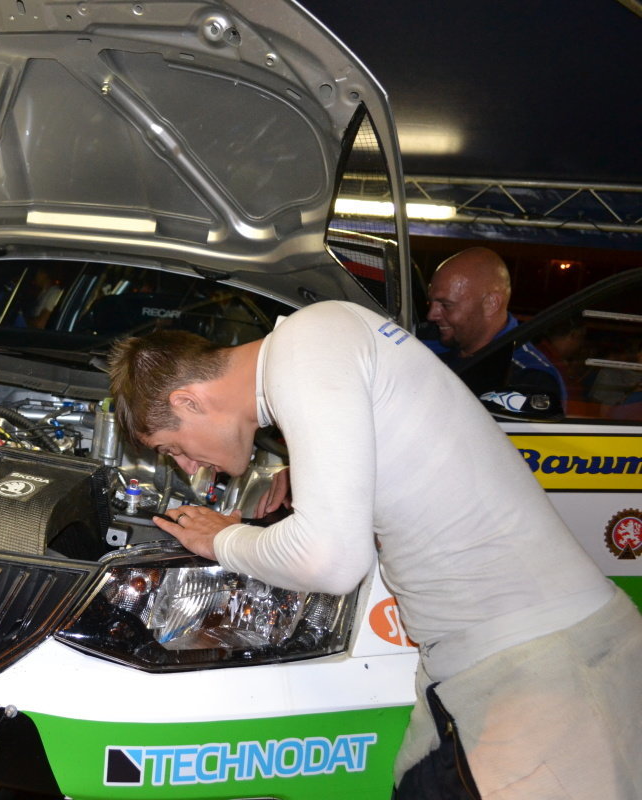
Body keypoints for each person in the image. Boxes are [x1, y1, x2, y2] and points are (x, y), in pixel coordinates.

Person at [108, 301, 642, 799]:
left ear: (188, 401)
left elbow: (329, 560)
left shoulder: (307, 345)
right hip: (495, 664)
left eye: (173, 448)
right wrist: (315, 472)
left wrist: (221, 539)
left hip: (548, 671)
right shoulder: (319, 336)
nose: (187, 467)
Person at [424, 247, 564, 413]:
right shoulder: (427, 343)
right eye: (430, 303)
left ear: (491, 304)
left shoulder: (529, 377)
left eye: (446, 305)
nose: (431, 315)